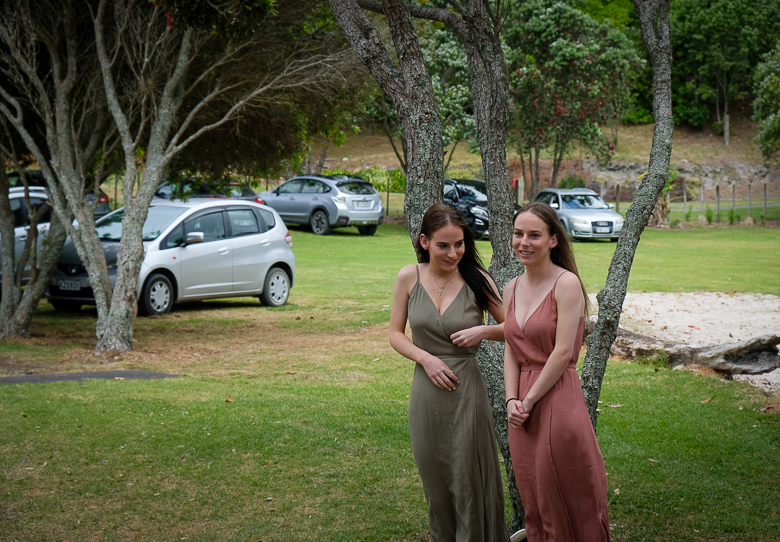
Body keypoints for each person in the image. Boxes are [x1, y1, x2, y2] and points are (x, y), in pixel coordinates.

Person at [389, 203, 509, 542]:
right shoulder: (409, 277)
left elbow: (514, 328)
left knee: (469, 482)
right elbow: (395, 334)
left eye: (459, 244)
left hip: (466, 392)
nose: (454, 253)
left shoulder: (477, 279)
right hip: (426, 394)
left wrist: (483, 331)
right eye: (443, 245)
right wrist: (425, 359)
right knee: (437, 485)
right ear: (424, 241)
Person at [503, 202, 610, 542]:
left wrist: (529, 400)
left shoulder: (566, 284)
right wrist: (511, 400)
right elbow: (511, 348)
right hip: (520, 405)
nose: (524, 242)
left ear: (552, 240)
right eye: (518, 234)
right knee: (534, 494)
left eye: (534, 235)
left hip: (556, 395)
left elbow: (563, 352)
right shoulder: (510, 288)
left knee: (565, 489)